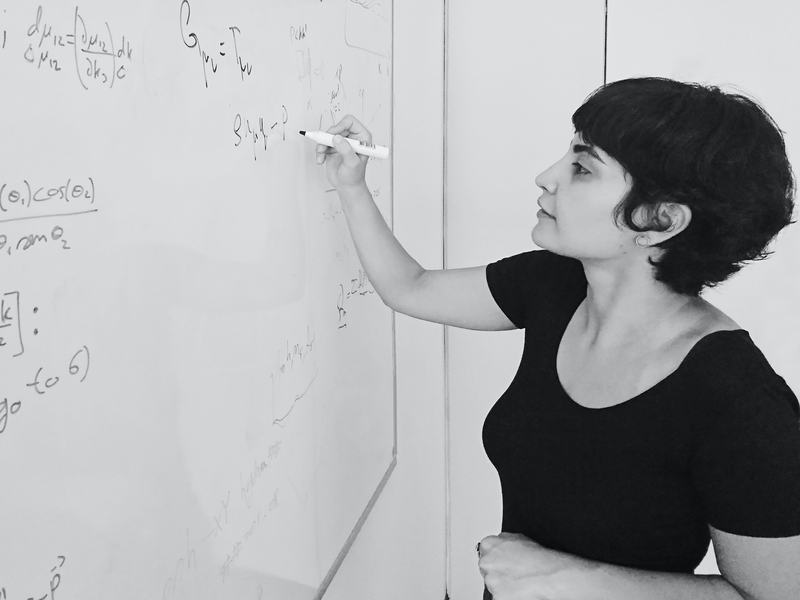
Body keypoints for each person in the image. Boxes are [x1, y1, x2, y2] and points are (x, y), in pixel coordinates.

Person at [315, 77, 800, 600]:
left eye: (582, 168)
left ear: (659, 220)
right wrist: (351, 185)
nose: (546, 177)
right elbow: (411, 288)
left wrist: (570, 578)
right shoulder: (555, 284)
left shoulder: (739, 401)